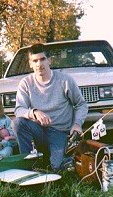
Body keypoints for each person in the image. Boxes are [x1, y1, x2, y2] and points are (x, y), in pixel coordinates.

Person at [12, 43, 88, 171]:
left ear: (49, 60)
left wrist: (77, 124)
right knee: (17, 123)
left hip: (59, 131)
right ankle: (28, 165)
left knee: (57, 167)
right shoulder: (26, 83)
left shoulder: (65, 80)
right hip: (38, 130)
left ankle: (58, 158)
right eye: (35, 61)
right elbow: (19, 110)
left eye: (42, 59)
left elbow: (81, 105)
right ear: (30, 64)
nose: (39, 64)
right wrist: (34, 112)